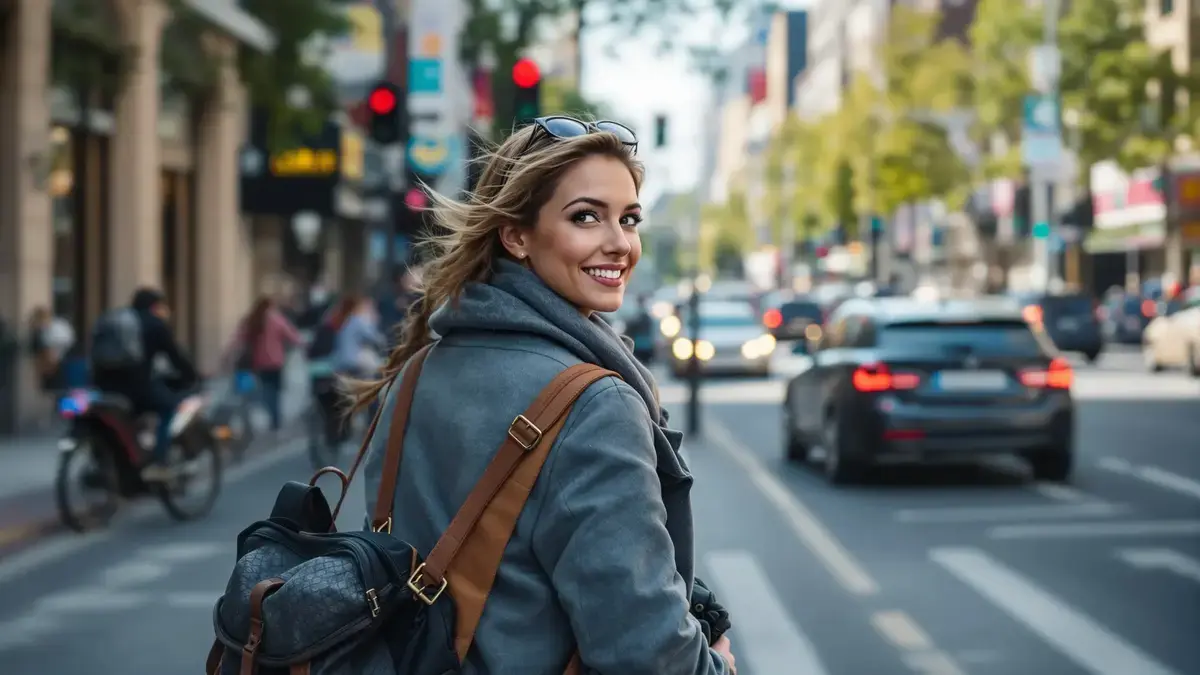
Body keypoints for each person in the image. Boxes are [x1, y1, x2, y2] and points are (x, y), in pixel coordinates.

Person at [352, 118, 736, 674]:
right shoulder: (594, 405)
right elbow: (645, 653)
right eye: (586, 217)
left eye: (629, 219)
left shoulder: (415, 374)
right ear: (516, 236)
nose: (620, 244)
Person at [91, 288, 199, 481]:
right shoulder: (155, 325)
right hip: (135, 388)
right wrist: (192, 377)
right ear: (156, 306)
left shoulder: (115, 321)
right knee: (169, 407)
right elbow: (175, 356)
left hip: (103, 386)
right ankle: (159, 462)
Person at [224, 296, 302, 432]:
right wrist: (304, 345)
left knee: (263, 391)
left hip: (258, 363)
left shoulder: (251, 319)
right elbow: (292, 336)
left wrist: (227, 355)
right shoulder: (276, 320)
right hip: (276, 362)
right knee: (274, 392)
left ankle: (265, 418)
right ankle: (275, 421)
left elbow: (237, 338)